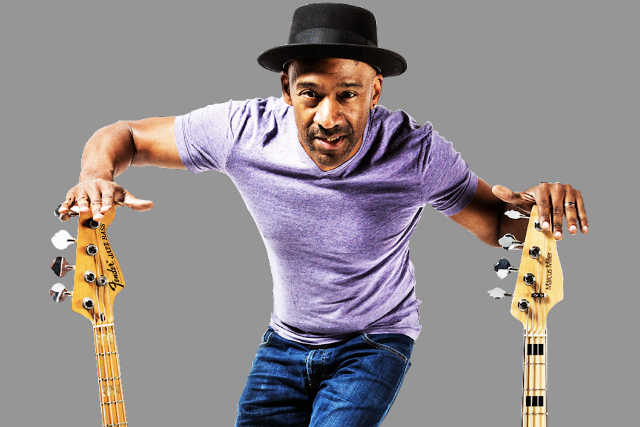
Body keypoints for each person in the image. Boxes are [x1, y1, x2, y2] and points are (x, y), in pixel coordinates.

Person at [57, 3, 588, 426]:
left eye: (347, 95)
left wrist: (539, 209)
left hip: (374, 339)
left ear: (374, 91)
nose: (328, 117)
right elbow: (125, 136)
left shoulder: (416, 153)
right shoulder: (244, 132)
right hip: (284, 339)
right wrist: (95, 175)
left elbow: (498, 225)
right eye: (310, 94)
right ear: (286, 89)